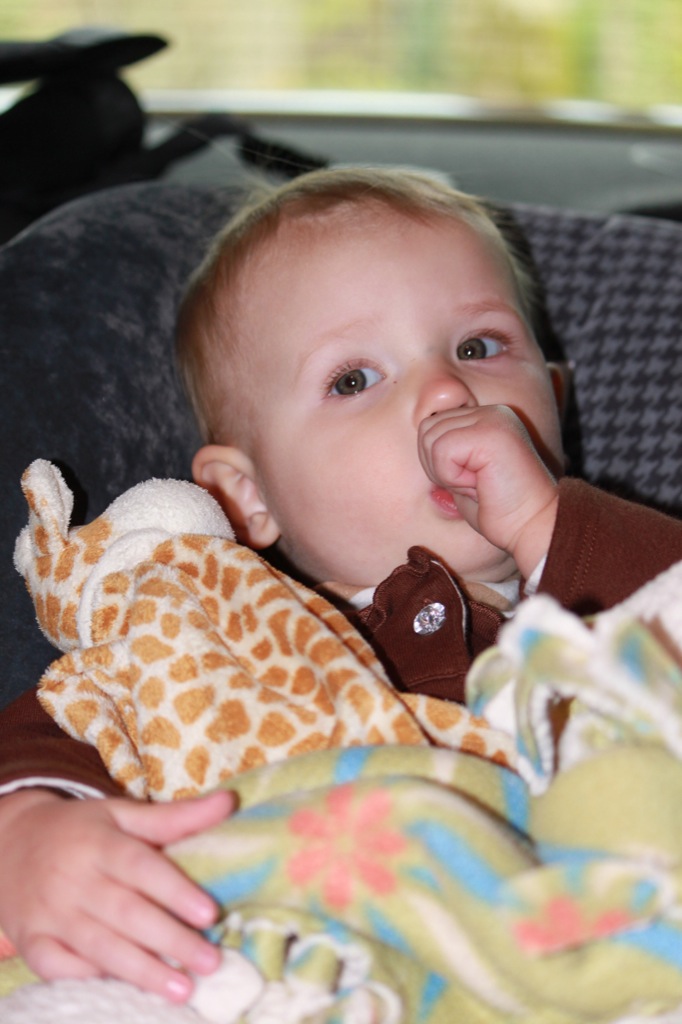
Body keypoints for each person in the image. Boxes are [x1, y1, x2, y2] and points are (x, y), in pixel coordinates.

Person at [0, 166, 681, 1003]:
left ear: (555, 402)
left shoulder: (601, 613)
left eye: (479, 347)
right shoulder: (209, 630)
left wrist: (549, 521)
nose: (447, 390)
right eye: (353, 379)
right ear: (247, 498)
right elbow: (67, 720)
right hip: (270, 965)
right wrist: (29, 830)